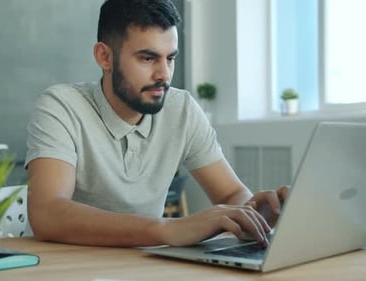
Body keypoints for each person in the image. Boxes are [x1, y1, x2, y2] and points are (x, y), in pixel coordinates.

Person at [25, 0, 289, 247]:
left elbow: (232, 194)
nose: (164, 74)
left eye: (170, 58)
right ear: (104, 57)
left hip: (147, 266)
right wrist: (167, 229)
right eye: (148, 58)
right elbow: (47, 213)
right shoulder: (60, 106)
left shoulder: (182, 109)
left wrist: (253, 214)